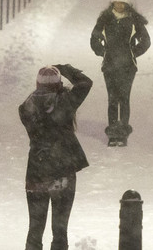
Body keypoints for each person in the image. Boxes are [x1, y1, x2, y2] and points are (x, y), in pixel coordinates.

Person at [19, 63, 92, 250]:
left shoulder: (25, 108)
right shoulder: (66, 102)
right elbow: (85, 83)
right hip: (63, 170)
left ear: (37, 84)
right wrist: (65, 69)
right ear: (58, 83)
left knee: (35, 229)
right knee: (60, 231)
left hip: (37, 171)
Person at [89, 0, 151, 146]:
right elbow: (94, 38)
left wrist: (133, 53)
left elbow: (146, 40)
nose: (119, 5)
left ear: (127, 5)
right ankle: (112, 134)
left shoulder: (134, 20)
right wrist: (102, 52)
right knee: (112, 99)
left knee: (123, 98)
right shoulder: (105, 19)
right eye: (117, 3)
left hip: (127, 67)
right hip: (109, 66)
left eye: (122, 3)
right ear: (113, 3)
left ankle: (122, 134)